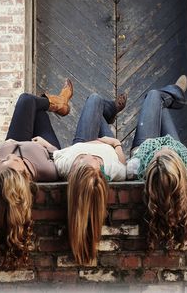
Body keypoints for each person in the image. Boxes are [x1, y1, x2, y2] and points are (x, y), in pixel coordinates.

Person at [0, 78, 74, 268]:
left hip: (15, 139)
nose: (12, 159)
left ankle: (59, 102)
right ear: (26, 178)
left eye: (6, 164)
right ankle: (60, 102)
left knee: (27, 100)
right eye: (17, 164)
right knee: (38, 110)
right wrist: (48, 147)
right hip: (41, 148)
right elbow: (64, 158)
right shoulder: (45, 171)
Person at [126, 75, 187, 252]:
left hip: (143, 145)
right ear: (180, 169)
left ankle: (174, 94)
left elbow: (126, 170)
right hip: (175, 149)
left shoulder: (136, 167)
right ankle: (176, 93)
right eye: (168, 153)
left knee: (154, 96)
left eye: (159, 155)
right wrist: (172, 150)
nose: (163, 146)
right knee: (159, 106)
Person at [53, 92, 127, 265]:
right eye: (96, 162)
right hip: (107, 142)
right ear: (101, 173)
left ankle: (107, 112)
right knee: (93, 100)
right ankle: (108, 112)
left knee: (93, 99)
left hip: (82, 140)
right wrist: (115, 143)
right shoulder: (111, 169)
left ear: (75, 171)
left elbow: (54, 154)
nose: (90, 156)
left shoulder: (66, 165)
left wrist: (80, 153)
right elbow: (123, 165)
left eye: (82, 160)